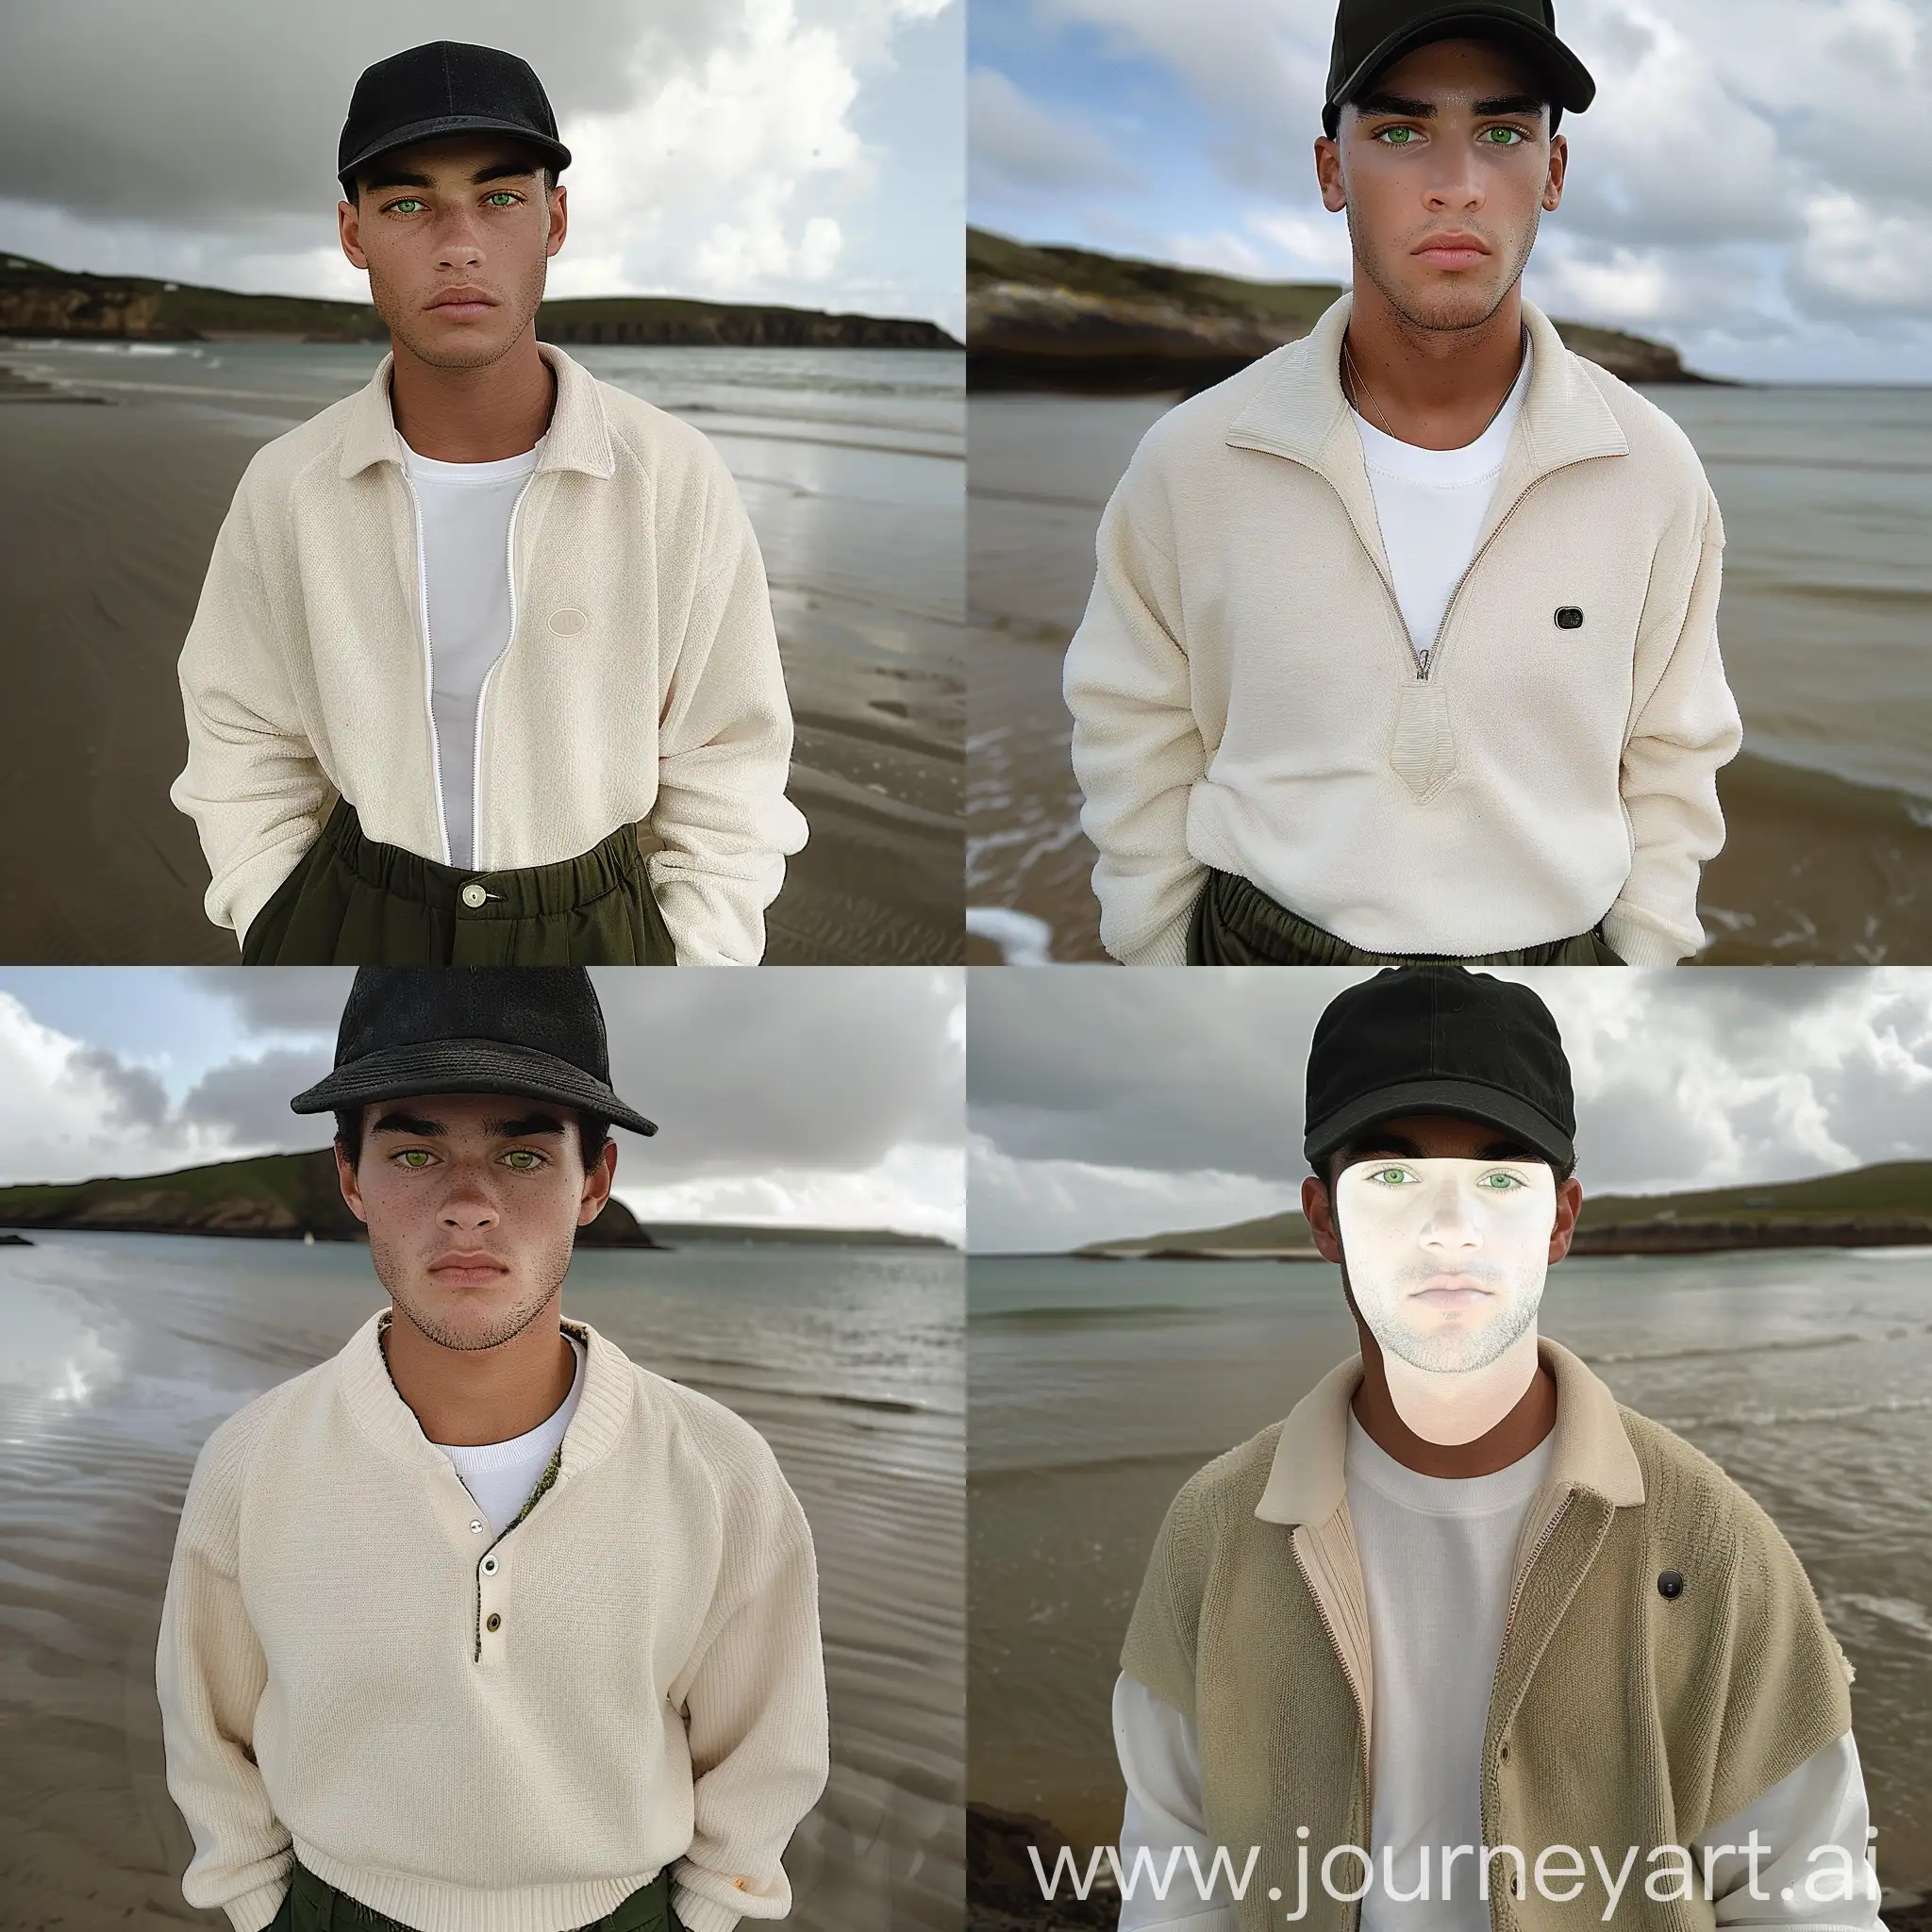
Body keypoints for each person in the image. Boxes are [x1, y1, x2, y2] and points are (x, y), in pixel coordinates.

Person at [1113, 967, 1883, 1930]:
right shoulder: (1213, 1532)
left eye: (1499, 1178)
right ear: (1322, 1218)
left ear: (1559, 1218)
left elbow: (1807, 1903)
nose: (1448, 1231)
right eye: (1390, 1176)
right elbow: (1171, 1889)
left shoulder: (1713, 1543)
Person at [1062, 0, 1743, 968]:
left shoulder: (1650, 467)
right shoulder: (1192, 457)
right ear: (1330, 169)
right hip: (1254, 944)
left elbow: (1673, 757)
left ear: (1551, 172)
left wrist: (1641, 966)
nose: (1455, 185)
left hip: (1562, 959)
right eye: (1399, 131)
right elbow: (1131, 724)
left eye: (1501, 132)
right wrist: (1156, 952)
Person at [156, 967, 829, 1932]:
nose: (468, 1204)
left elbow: (761, 1749)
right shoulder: (252, 1461)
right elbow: (210, 1732)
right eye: (413, 1152)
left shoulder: (719, 1469)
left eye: (521, 1156)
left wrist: (710, 1910)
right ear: (348, 1175)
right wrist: (260, 1904)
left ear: (592, 1180)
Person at [170, 42, 808, 967]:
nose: (458, 240)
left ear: (554, 219)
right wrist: (272, 912)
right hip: (351, 911)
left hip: (602, 925)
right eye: (407, 203)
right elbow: (242, 726)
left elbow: (730, 757)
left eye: (500, 198)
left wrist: (693, 956)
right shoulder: (288, 484)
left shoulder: (671, 475)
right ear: (355, 235)